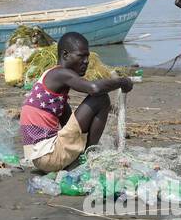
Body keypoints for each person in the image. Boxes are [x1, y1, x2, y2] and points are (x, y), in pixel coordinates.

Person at [20, 32, 133, 172]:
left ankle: (81, 154)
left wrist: (104, 112)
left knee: (94, 103)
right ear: (65, 55)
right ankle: (89, 155)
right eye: (81, 56)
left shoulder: (50, 79)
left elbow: (70, 123)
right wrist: (122, 82)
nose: (86, 61)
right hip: (50, 156)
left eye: (87, 56)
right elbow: (94, 88)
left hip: (40, 159)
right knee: (101, 98)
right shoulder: (60, 73)